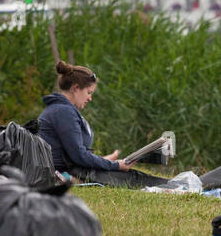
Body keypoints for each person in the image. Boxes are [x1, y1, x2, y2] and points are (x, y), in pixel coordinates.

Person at [37, 61, 170, 189]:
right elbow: (79, 156)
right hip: (62, 173)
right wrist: (115, 165)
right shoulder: (63, 112)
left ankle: (176, 185)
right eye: (89, 92)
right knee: (131, 178)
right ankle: (178, 186)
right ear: (76, 88)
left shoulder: (61, 109)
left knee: (131, 175)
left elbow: (74, 154)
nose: (90, 98)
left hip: (72, 169)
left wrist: (105, 161)